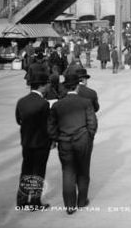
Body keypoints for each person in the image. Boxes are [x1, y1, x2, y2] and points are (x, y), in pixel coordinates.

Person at [47, 72, 98, 214]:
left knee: (68, 172)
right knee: (83, 170)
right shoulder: (85, 102)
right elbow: (92, 123)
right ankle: (82, 201)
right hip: (83, 140)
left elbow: (51, 127)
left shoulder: (57, 105)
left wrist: (58, 137)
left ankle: (70, 206)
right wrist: (89, 136)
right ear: (77, 87)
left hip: (65, 142)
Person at [15, 71, 52, 210]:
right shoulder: (43, 103)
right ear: (42, 86)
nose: (48, 86)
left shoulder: (21, 101)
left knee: (26, 170)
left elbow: (18, 120)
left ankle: (22, 200)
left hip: (26, 141)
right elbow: (47, 125)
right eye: (47, 84)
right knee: (38, 172)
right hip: (41, 143)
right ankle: (35, 202)